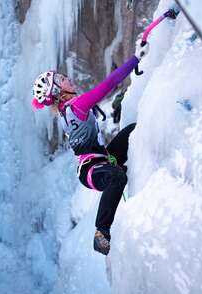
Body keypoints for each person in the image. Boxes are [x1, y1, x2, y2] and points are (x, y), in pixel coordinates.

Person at [31, 41, 149, 255]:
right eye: (60, 79)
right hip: (90, 171)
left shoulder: (66, 110)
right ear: (57, 90)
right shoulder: (76, 105)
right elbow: (109, 83)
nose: (66, 78)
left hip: (102, 159)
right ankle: (101, 233)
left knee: (132, 131)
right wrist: (135, 59)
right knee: (117, 177)